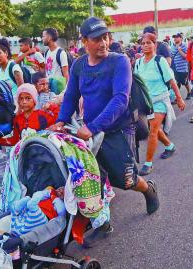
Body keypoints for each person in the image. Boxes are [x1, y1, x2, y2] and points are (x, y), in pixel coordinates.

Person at [51, 17, 160, 218]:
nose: (103, 43)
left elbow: (120, 100)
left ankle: (148, 190)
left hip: (118, 128)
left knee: (125, 180)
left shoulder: (119, 61)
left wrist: (92, 127)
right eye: (97, 39)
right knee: (92, 179)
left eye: (105, 37)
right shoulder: (78, 65)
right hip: (91, 131)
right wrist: (61, 120)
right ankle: (102, 222)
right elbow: (71, 96)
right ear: (84, 41)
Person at [134, 33, 186, 176]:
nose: (145, 45)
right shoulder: (138, 63)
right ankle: (170, 146)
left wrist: (179, 98)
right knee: (154, 127)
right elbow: (136, 83)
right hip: (146, 102)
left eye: (149, 43)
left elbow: (171, 81)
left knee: (153, 131)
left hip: (160, 101)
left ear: (155, 45)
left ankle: (148, 164)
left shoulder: (159, 60)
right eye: (143, 43)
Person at [170, 33, 191, 99]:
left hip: (183, 68)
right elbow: (171, 56)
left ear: (181, 38)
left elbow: (186, 56)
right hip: (175, 68)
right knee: (176, 82)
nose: (175, 38)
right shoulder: (172, 46)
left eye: (177, 37)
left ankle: (189, 92)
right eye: (174, 37)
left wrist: (180, 51)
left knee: (184, 82)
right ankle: (177, 97)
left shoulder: (184, 45)